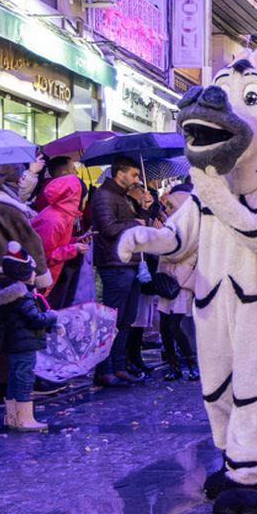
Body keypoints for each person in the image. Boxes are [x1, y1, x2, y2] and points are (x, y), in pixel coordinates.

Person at [0, 164, 54, 406]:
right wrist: (41, 275)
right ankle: (5, 386)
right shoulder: (8, 207)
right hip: (10, 272)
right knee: (12, 331)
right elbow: (31, 240)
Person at [0, 242, 58, 432]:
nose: (34, 274)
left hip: (12, 343)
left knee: (14, 378)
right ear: (23, 273)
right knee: (24, 380)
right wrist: (52, 316)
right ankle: (25, 419)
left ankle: (12, 417)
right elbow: (36, 319)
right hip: (25, 344)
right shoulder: (22, 296)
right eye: (32, 271)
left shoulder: (4, 295)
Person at [88, 156, 146, 386]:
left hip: (130, 263)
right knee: (112, 319)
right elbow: (109, 228)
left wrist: (144, 209)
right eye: (133, 174)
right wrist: (135, 223)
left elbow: (140, 226)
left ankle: (119, 367)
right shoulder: (103, 196)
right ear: (119, 173)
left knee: (126, 320)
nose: (136, 179)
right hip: (114, 264)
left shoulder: (124, 197)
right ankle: (104, 369)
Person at [155, 186, 199, 382]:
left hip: (182, 283)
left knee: (175, 325)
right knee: (165, 325)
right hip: (167, 282)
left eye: (172, 205)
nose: (169, 209)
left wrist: (160, 239)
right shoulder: (169, 225)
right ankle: (174, 365)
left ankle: (191, 363)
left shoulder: (192, 228)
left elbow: (178, 254)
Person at [32, 175, 89, 303]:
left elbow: (57, 243)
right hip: (40, 281)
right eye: (85, 196)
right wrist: (73, 248)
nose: (86, 200)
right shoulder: (54, 219)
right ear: (76, 197)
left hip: (47, 278)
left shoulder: (63, 214)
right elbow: (45, 256)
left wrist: (76, 241)